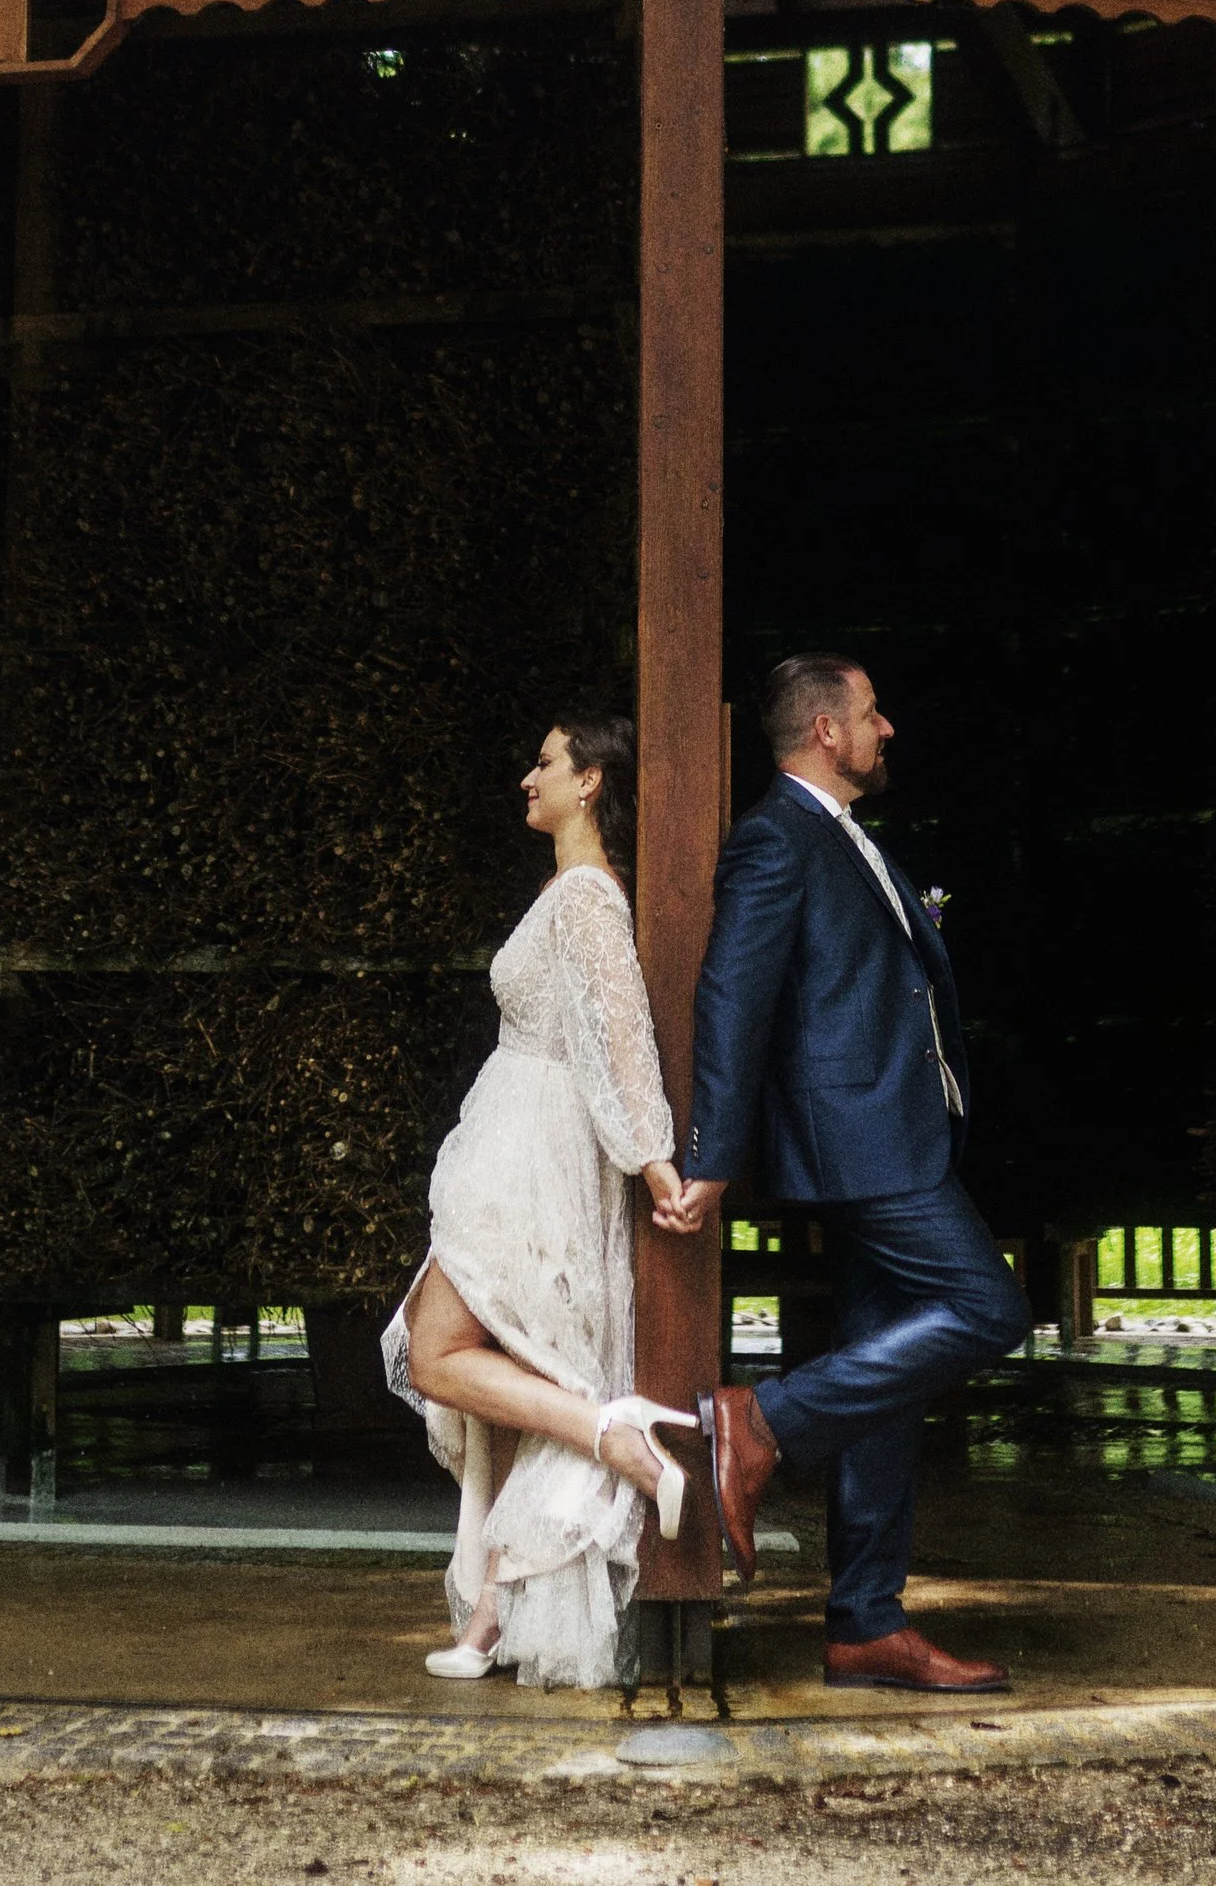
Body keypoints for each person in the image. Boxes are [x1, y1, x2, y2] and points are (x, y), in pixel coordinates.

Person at [654, 655, 1030, 1693]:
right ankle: (761, 1421)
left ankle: (866, 1621)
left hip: (899, 1133)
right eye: (872, 712)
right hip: (857, 1141)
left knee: (886, 1380)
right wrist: (715, 1156)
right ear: (825, 729)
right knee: (987, 1305)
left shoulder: (844, 837)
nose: (887, 727)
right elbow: (733, 999)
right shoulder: (775, 838)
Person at [384, 714, 697, 1690]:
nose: (528, 777)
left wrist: (652, 1162)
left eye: (545, 762)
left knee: (436, 1351)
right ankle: (490, 1614)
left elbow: (622, 1037)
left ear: (590, 780)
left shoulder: (589, 899)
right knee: (498, 1379)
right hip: (507, 1140)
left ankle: (621, 1440)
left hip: (537, 1155)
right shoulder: (564, 891)